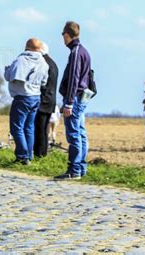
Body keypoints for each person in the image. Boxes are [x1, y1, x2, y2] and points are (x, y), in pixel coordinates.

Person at [55, 21, 92, 180]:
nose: (63, 39)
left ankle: (74, 169)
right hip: (81, 97)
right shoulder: (84, 51)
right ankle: (81, 168)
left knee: (74, 135)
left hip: (75, 99)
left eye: (63, 35)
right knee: (81, 133)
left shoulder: (76, 52)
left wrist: (68, 102)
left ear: (67, 34)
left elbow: (74, 79)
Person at [4, 38, 49, 165]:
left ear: (26, 46)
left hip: (22, 97)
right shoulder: (43, 63)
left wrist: (7, 69)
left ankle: (22, 156)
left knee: (16, 128)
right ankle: (29, 156)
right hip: (36, 97)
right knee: (29, 128)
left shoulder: (21, 59)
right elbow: (44, 82)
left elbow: (9, 76)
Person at [33, 42, 59, 158]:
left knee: (39, 129)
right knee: (44, 130)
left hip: (42, 100)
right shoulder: (53, 63)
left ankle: (39, 154)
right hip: (51, 100)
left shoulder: (43, 62)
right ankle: (43, 154)